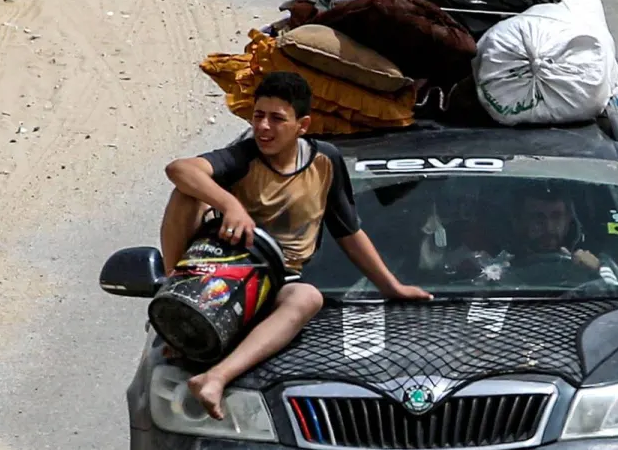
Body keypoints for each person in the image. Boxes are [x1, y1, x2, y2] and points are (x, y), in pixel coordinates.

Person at [159, 71, 431, 418]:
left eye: (277, 119)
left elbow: (348, 232)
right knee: (187, 192)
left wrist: (392, 287)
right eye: (258, 116)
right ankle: (176, 290)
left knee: (308, 297)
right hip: (220, 273)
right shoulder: (243, 157)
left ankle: (215, 379)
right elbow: (179, 168)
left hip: (276, 281)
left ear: (302, 125)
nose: (264, 128)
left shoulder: (324, 161)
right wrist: (231, 206)